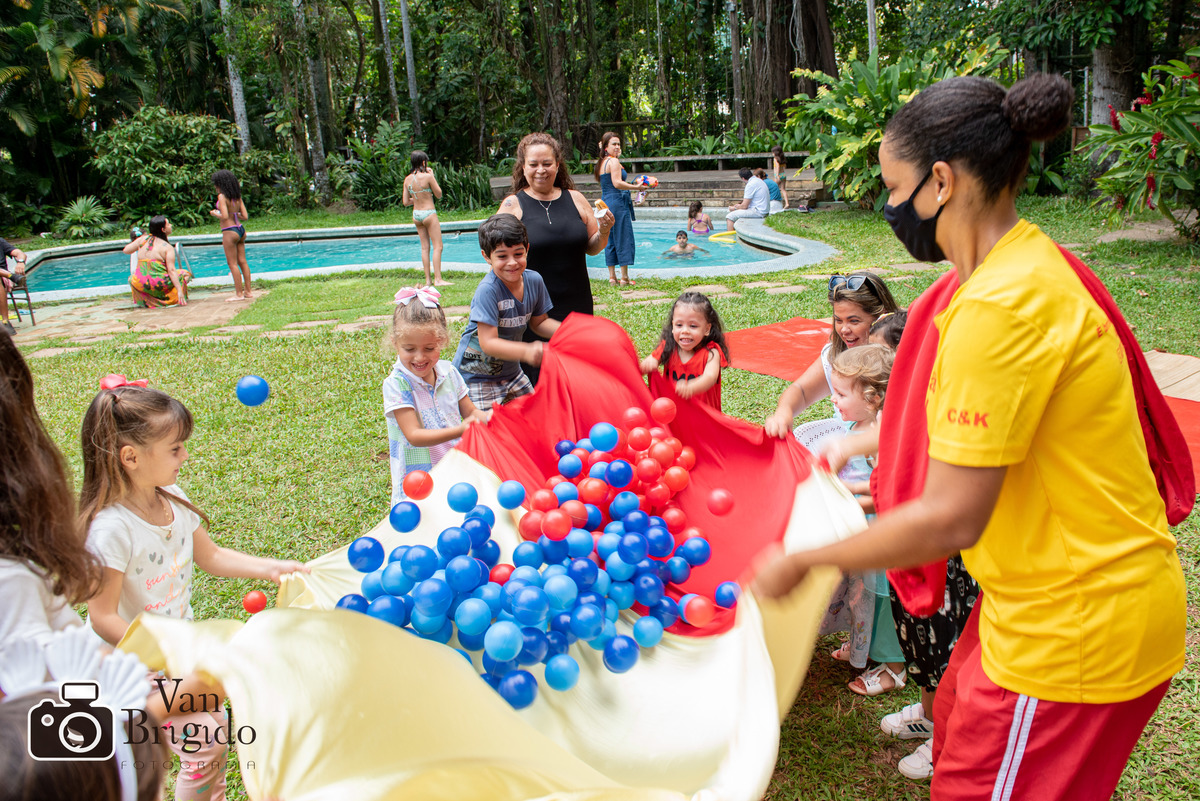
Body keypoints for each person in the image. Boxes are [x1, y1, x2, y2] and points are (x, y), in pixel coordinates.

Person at [752, 73, 1186, 800]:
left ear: (942, 182)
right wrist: (855, 447)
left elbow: (951, 515)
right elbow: (967, 426)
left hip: (1074, 628)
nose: (890, 207)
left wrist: (807, 558)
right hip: (1034, 602)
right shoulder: (1014, 268)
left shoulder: (1000, 309)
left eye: (894, 188)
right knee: (953, 719)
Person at [80, 381, 307, 801]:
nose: (185, 455)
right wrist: (162, 654)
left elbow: (212, 556)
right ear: (130, 457)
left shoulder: (173, 499)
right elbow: (103, 616)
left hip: (181, 654)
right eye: (175, 448)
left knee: (210, 743)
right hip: (133, 664)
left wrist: (272, 568)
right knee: (193, 745)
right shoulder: (111, 529)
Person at [0, 331, 171, 799]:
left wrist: (137, 672)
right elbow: (59, 758)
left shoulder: (21, 574)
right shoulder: (11, 582)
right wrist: (162, 700)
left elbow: (63, 657)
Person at [822, 345, 907, 698]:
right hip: (860, 529)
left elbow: (889, 494)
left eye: (841, 393)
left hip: (882, 536)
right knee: (858, 596)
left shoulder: (882, 437)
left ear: (872, 398)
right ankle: (863, 647)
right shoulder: (856, 426)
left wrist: (851, 493)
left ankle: (893, 667)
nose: (833, 400)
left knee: (882, 603)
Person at [498, 133, 614, 384]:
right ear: (523, 167)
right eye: (534, 164)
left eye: (547, 163)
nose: (541, 170)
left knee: (578, 376)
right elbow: (496, 256)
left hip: (577, 303)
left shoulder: (575, 199)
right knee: (541, 380)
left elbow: (592, 247)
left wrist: (604, 230)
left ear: (558, 164)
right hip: (534, 309)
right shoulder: (512, 205)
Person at [384, 285, 488, 502]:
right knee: (423, 526)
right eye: (409, 349)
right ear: (395, 343)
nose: (420, 357)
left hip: (453, 467)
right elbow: (414, 435)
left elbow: (470, 411)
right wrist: (460, 430)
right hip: (418, 480)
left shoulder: (449, 373)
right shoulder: (397, 384)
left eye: (429, 349)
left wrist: (489, 418)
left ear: (442, 341)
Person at [764, 271, 899, 436]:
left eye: (854, 321)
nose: (844, 330)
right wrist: (783, 412)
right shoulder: (836, 355)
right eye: (838, 320)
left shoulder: (896, 360)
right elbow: (801, 390)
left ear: (881, 317)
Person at [452, 215, 561, 411]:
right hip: (477, 377)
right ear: (487, 257)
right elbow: (489, 343)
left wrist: (569, 331)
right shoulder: (488, 290)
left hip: (512, 373)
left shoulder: (534, 281)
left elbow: (539, 323)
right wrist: (527, 351)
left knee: (535, 418)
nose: (512, 263)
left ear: (527, 249)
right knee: (485, 434)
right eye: (502, 256)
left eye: (518, 254)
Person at [639, 291, 730, 411]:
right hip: (673, 413)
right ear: (672, 326)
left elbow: (710, 377)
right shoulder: (668, 346)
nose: (685, 331)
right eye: (679, 325)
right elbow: (646, 364)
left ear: (707, 329)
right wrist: (651, 362)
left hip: (702, 416)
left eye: (693, 326)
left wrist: (691, 387)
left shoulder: (711, 353)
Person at [594, 131, 648, 286]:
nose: (617, 147)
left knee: (609, 238)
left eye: (619, 144)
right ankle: (624, 278)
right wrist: (636, 187)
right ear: (606, 147)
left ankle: (612, 277)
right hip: (617, 202)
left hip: (605, 203)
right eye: (614, 144)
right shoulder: (614, 162)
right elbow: (617, 183)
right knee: (623, 237)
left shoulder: (602, 162)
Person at [402, 151, 449, 287]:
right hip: (429, 213)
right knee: (438, 246)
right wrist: (432, 176)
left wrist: (418, 198)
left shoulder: (407, 179)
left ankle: (428, 280)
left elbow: (405, 202)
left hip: (416, 215)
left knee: (424, 248)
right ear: (423, 162)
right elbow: (439, 194)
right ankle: (438, 279)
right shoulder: (428, 177)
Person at [123, 216, 191, 308]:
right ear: (163, 229)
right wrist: (179, 290)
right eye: (168, 224)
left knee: (131, 278)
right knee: (185, 274)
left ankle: (148, 301)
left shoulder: (142, 239)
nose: (171, 225)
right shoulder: (167, 247)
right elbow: (171, 270)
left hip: (140, 283)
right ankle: (168, 299)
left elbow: (126, 250)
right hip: (159, 283)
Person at [211, 169, 252, 302]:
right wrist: (235, 213)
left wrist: (214, 213)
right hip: (240, 229)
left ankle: (239, 294)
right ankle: (248, 292)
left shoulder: (222, 197)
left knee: (232, 264)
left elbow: (223, 216)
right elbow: (245, 216)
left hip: (229, 231)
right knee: (243, 261)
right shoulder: (237, 196)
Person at [0, 237, 28, 335]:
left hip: (2, 280)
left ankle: (5, 322)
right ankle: (12, 276)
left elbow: (20, 253)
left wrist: (20, 262)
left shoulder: (0, 241)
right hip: (9, 276)